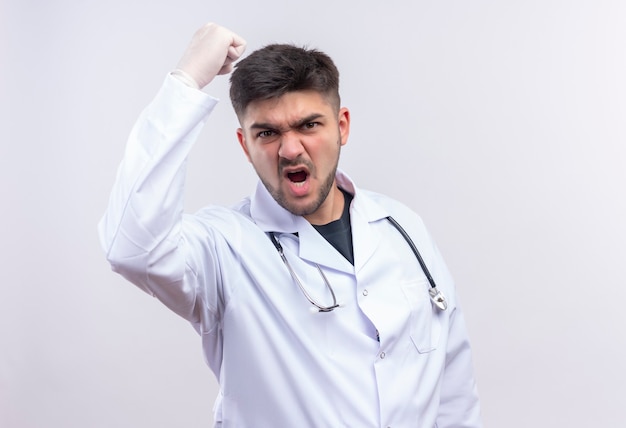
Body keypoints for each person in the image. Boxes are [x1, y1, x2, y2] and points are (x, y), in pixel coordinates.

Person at [99, 22, 482, 428]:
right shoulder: (224, 248)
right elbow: (131, 248)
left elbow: (452, 387)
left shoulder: (403, 229)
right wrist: (185, 81)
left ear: (342, 126)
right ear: (245, 145)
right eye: (267, 132)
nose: (290, 149)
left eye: (308, 125)